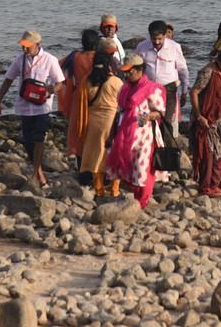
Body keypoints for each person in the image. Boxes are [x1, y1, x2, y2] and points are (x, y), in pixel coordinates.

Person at [0, 30, 66, 187]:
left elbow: (60, 82)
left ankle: (36, 174)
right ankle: (38, 171)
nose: (24, 49)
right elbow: (8, 80)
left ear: (37, 45)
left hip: (43, 107)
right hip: (25, 106)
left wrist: (53, 89)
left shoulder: (50, 60)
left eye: (27, 46)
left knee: (39, 139)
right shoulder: (19, 60)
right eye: (23, 46)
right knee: (28, 142)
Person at [105, 54, 167, 208]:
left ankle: (143, 200)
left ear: (139, 70)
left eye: (130, 71)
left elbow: (160, 112)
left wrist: (149, 116)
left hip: (145, 135)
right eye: (125, 72)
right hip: (126, 133)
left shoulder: (152, 89)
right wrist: (112, 132)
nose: (126, 75)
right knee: (129, 165)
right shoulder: (125, 88)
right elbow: (119, 111)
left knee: (143, 166)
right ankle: (136, 197)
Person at [190, 49, 221, 197]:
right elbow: (195, 92)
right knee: (208, 153)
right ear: (218, 61)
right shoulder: (208, 72)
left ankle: (215, 184)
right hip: (209, 120)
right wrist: (198, 116)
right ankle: (205, 186)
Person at [79, 51, 124, 197]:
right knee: (113, 155)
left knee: (95, 155)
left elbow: (82, 102)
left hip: (92, 122)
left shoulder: (87, 81)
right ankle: (114, 190)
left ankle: (99, 191)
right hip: (110, 121)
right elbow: (123, 102)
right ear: (109, 66)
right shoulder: (116, 82)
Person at [135, 20, 189, 138]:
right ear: (149, 36)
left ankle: (165, 149)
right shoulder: (142, 47)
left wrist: (184, 91)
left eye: (160, 38)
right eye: (154, 39)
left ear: (165, 35)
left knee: (166, 121)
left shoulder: (174, 47)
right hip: (147, 90)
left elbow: (183, 70)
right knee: (145, 120)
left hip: (168, 90)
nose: (157, 42)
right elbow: (136, 69)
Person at [60, 29, 100, 167]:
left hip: (78, 96)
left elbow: (58, 66)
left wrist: (65, 83)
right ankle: (95, 166)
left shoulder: (74, 56)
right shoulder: (101, 57)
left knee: (79, 131)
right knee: (97, 130)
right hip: (98, 96)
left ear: (82, 42)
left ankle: (81, 166)